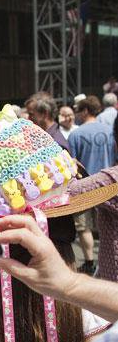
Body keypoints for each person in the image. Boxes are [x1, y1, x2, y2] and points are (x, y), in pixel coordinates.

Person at [68, 96, 115, 275]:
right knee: (108, 228)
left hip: (85, 187)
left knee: (84, 227)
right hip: (110, 186)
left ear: (86, 111)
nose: (77, 115)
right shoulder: (110, 131)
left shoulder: (76, 134)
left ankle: (89, 261)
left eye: (79, 111)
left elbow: (72, 164)